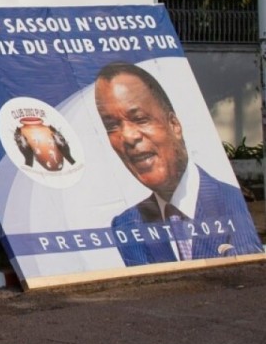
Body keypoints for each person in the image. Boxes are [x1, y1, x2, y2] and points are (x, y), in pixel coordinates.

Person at [93, 62, 261, 266]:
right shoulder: (127, 225)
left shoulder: (232, 203)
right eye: (112, 126)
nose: (128, 137)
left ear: (174, 125)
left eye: (139, 119)